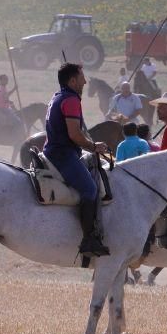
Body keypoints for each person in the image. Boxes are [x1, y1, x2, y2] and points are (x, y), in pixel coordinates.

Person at [42, 62, 109, 257]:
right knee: (90, 189)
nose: (85, 81)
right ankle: (88, 240)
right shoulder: (71, 100)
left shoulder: (58, 96)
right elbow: (74, 134)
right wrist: (93, 146)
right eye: (81, 77)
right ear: (72, 80)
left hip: (57, 150)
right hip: (63, 154)